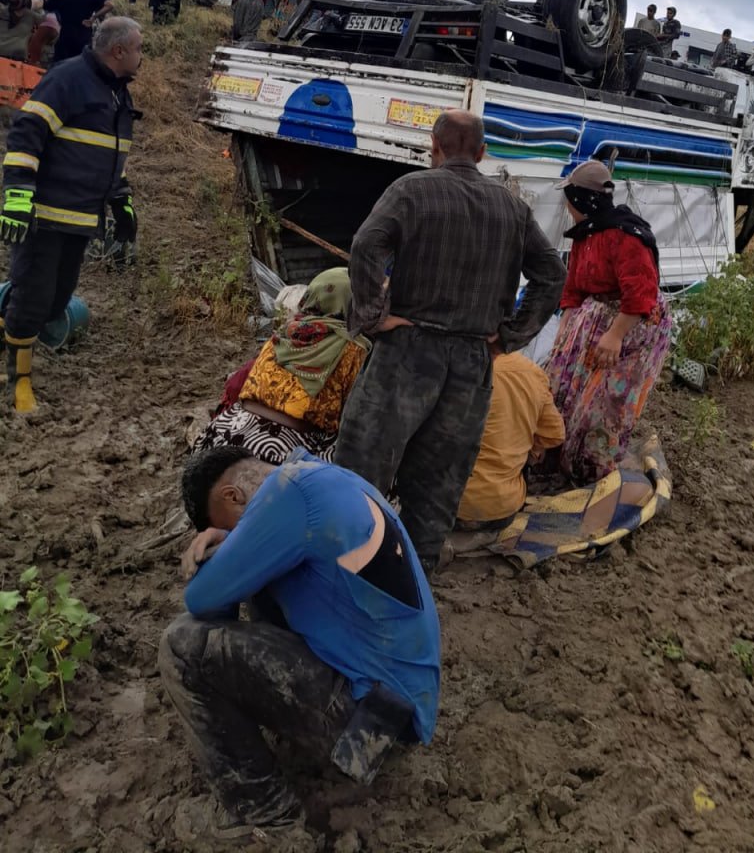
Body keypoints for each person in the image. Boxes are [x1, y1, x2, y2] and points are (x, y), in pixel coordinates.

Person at [160, 446, 440, 849]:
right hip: (397, 713)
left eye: (233, 521)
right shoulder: (326, 476)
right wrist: (237, 539)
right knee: (265, 581)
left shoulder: (288, 493)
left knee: (182, 647)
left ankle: (264, 815)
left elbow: (203, 602)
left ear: (233, 496)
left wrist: (220, 550)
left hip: (372, 723)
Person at [333, 110, 566, 572]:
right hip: (472, 363)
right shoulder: (512, 208)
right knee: (439, 479)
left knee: (364, 463)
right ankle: (415, 577)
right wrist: (510, 336)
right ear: (481, 153)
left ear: (433, 147)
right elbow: (552, 273)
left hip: (408, 351)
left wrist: (374, 317)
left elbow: (366, 245)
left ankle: (349, 563)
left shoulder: (411, 189)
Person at [0, 16, 142, 411]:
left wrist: (122, 203)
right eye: (138, 49)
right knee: (33, 297)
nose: (140, 57)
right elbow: (27, 132)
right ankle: (18, 384)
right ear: (118, 51)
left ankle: (7, 326)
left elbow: (111, 155)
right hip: (45, 214)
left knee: (57, 299)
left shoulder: (116, 93)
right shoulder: (69, 79)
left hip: (81, 218)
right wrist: (17, 195)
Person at [545, 160, 672, 484]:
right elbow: (573, 288)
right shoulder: (587, 234)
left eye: (569, 198)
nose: (567, 205)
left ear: (581, 200)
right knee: (561, 387)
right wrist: (565, 330)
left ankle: (593, 472)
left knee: (605, 405)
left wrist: (615, 335)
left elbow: (641, 293)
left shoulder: (625, 235)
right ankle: (560, 460)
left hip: (633, 329)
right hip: (598, 320)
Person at [194, 268, 371, 463]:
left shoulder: (286, 331)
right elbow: (354, 414)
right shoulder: (353, 349)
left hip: (227, 428)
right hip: (282, 448)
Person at [456, 350, 566, 528]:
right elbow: (555, 434)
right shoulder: (531, 372)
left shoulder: (453, 364)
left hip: (442, 507)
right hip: (502, 510)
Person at [43, 0, 112, 64]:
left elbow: (46, 6)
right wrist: (94, 17)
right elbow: (110, 5)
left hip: (66, 38)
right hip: (84, 40)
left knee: (59, 67)